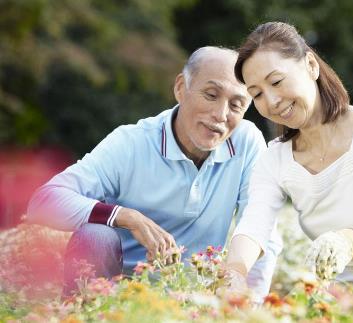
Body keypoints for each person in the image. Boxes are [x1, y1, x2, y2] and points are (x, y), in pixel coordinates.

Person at [26, 46, 281, 299]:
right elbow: (44, 201)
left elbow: (262, 228)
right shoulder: (131, 142)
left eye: (236, 105)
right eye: (211, 94)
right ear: (181, 88)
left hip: (194, 302)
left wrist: (251, 307)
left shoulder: (246, 142)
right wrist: (126, 216)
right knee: (95, 236)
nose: (220, 114)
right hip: (117, 298)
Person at [222, 22, 353, 294]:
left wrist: (350, 242)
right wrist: (235, 272)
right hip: (337, 298)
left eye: (276, 81)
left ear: (311, 65)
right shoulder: (274, 159)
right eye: (257, 94)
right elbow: (254, 226)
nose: (272, 100)